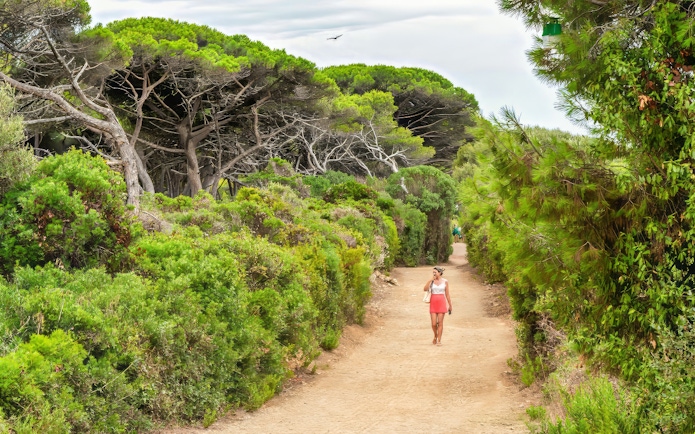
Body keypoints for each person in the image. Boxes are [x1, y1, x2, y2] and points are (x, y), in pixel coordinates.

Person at [423, 266, 452, 346]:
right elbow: (425, 289)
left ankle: (439, 340)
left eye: (435, 272)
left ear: (440, 273)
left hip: (442, 302)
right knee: (433, 323)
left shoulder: (445, 281)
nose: (434, 274)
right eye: (433, 272)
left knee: (440, 323)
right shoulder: (432, 281)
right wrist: (430, 280)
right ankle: (435, 335)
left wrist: (450, 305)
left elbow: (447, 294)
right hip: (433, 302)